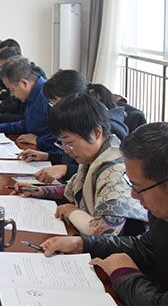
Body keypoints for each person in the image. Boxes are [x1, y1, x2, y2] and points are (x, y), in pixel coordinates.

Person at [39, 123, 168, 305]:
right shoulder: (160, 212)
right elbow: (146, 247)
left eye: (138, 188)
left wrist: (124, 274)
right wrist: (82, 244)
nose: (132, 195)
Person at [12, 93, 146, 236]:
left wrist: (73, 213)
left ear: (96, 132)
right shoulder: (94, 158)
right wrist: (40, 191)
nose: (66, 150)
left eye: (69, 143)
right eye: (62, 143)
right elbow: (73, 190)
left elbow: (106, 230)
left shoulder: (116, 171)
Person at [19, 70, 129, 183]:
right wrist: (48, 156)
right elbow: (74, 158)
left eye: (55, 102)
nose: (54, 108)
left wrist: (65, 170)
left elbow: (93, 170)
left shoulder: (108, 129)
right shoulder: (82, 125)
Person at [0, 56, 58, 151]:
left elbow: (64, 136)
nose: (12, 95)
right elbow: (27, 124)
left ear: (24, 83)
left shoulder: (49, 96)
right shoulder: (32, 94)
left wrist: (39, 140)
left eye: (12, 90)